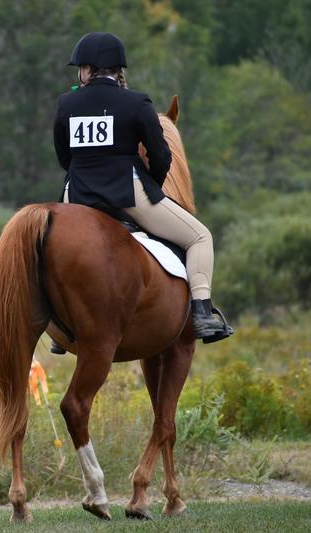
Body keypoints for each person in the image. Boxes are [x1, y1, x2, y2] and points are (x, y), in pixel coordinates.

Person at [53, 32, 233, 344]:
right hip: (127, 191)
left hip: (77, 196)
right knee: (200, 236)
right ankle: (203, 315)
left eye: (79, 67)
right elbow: (161, 154)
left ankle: (59, 330)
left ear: (88, 69)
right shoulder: (136, 103)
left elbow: (63, 157)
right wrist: (154, 184)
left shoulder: (67, 103)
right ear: (117, 69)